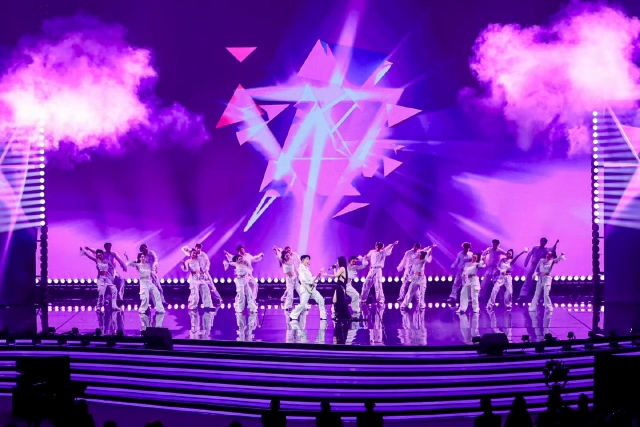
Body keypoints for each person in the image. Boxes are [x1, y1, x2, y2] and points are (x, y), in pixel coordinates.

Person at [518, 238, 559, 302]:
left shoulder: (546, 250)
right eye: (542, 242)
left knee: (542, 281)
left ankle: (541, 297)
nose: (543, 243)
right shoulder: (535, 248)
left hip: (541, 266)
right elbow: (529, 254)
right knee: (528, 279)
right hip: (533, 265)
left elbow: (552, 250)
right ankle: (522, 295)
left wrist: (556, 244)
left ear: (545, 243)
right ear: (540, 241)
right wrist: (526, 262)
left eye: (544, 242)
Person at [289, 255, 326, 321]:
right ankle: (293, 315)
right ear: (303, 260)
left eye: (308, 259)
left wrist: (318, 274)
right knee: (303, 304)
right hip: (305, 288)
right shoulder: (301, 269)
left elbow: (310, 279)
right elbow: (303, 279)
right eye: (307, 259)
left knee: (320, 299)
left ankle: (323, 316)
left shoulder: (306, 269)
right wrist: (311, 282)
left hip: (311, 288)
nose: (308, 261)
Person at [400, 245, 436, 310]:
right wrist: (410, 277)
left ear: (422, 255)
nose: (418, 254)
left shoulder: (423, 260)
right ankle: (404, 304)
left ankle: (422, 305)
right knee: (410, 292)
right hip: (415, 278)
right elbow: (412, 269)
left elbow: (428, 253)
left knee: (422, 292)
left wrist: (431, 248)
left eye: (419, 254)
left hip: (422, 278)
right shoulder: (414, 260)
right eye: (418, 253)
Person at [329, 256, 351, 321]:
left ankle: (340, 316)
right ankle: (339, 315)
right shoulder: (341, 268)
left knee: (339, 300)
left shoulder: (342, 268)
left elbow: (336, 275)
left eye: (337, 261)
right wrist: (327, 275)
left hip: (341, 285)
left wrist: (334, 268)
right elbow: (335, 276)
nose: (337, 263)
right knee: (335, 300)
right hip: (339, 284)